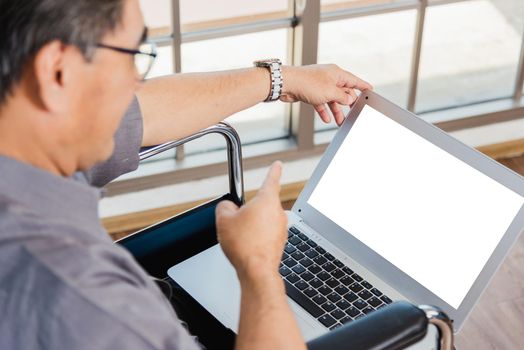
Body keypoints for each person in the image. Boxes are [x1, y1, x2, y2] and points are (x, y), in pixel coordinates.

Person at [0, 0, 372, 349]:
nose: (136, 82)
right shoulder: (91, 306)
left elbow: (145, 114)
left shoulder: (27, 134)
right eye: (130, 56)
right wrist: (259, 269)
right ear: (56, 72)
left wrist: (284, 79)